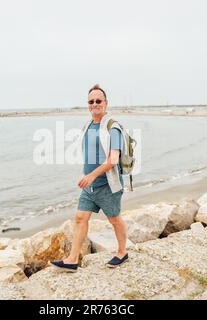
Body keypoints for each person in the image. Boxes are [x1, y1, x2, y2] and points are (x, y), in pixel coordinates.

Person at [50, 84, 128, 272]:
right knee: (80, 218)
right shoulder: (87, 125)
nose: (94, 104)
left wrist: (92, 175)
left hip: (108, 185)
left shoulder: (113, 127)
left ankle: (122, 252)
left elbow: (113, 159)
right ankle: (72, 260)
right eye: (91, 101)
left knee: (115, 220)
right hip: (90, 185)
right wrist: (87, 175)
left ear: (106, 103)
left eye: (98, 101)